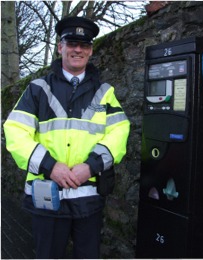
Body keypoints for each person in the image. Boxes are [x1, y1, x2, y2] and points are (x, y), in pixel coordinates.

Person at [4, 16, 130, 259]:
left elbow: (120, 131)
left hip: (88, 201)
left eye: (84, 45)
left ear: (91, 51)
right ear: (60, 47)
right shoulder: (38, 89)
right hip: (47, 199)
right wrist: (50, 167)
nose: (78, 49)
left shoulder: (105, 92)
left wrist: (91, 166)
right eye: (71, 43)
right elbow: (15, 130)